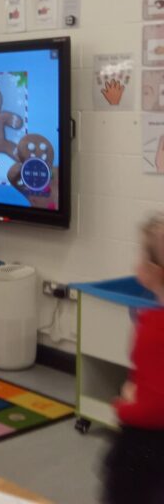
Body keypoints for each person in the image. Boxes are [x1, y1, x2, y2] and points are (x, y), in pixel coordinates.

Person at [103, 215, 164, 504]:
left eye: (141, 254)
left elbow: (155, 408)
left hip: (148, 447)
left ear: (153, 270)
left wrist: (124, 406)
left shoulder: (153, 327)